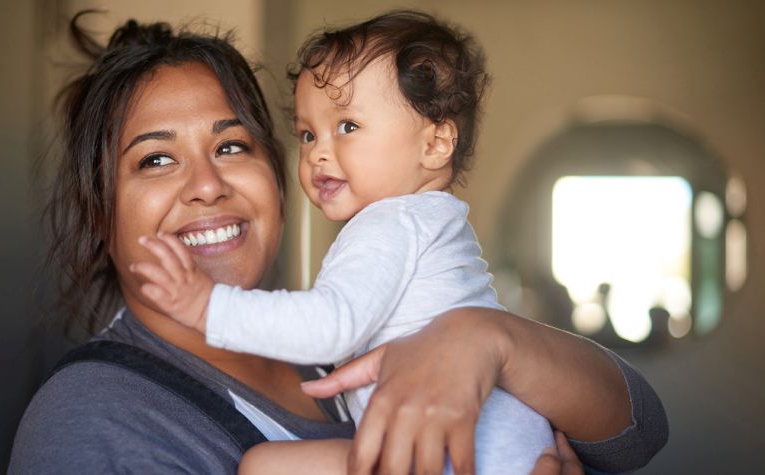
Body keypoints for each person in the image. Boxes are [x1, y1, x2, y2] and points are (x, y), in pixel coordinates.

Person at [8, 13, 668, 475]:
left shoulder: (337, 338)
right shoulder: (93, 418)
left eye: (232, 145)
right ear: (102, 213)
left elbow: (638, 433)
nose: (207, 185)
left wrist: (490, 338)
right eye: (155, 160)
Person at [132, 10, 552, 475]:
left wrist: (207, 307)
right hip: (501, 446)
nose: (318, 153)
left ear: (435, 144)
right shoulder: (433, 221)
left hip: (462, 452)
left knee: (264, 466)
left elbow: (332, 326)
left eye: (347, 127)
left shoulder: (392, 223)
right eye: (308, 135)